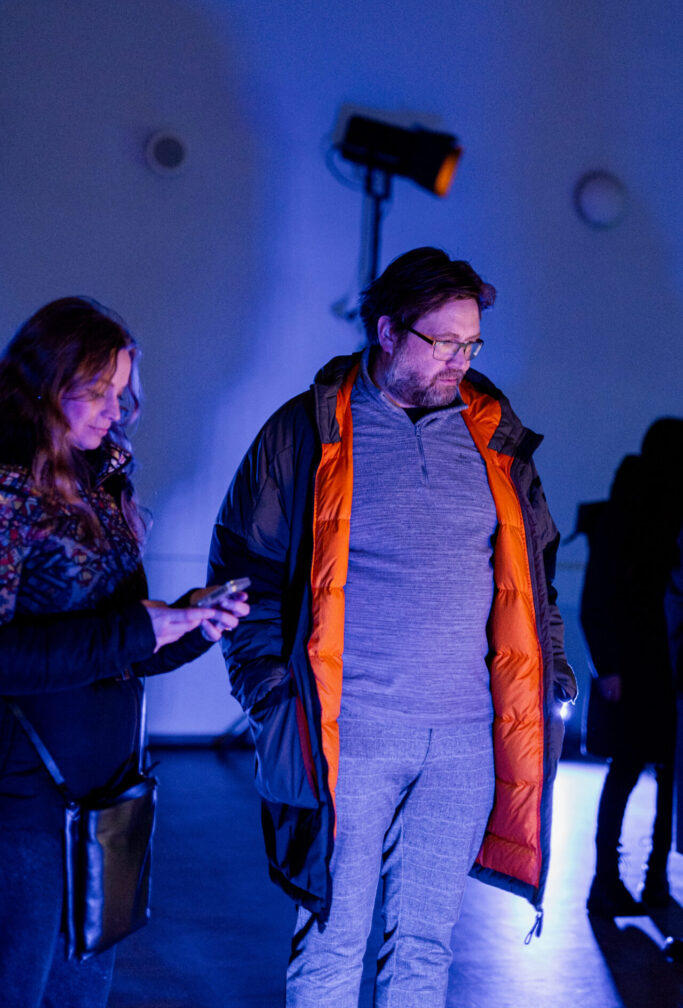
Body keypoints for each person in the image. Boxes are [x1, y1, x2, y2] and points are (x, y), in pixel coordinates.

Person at [208, 247, 576, 1007]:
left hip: (464, 743)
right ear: (386, 331)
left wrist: (553, 666)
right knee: (331, 941)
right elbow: (244, 570)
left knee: (424, 948)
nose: (460, 360)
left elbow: (533, 578)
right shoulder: (306, 432)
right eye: (443, 342)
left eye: (471, 343)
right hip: (349, 735)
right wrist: (272, 696)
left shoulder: (494, 436)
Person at [0, 297, 249, 1008]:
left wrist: (192, 625)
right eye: (97, 391)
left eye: (120, 393)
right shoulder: (7, 489)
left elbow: (123, 647)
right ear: (45, 382)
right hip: (22, 802)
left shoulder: (102, 481)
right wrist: (140, 629)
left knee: (84, 994)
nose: (115, 411)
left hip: (108, 793)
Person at [580, 418, 683, 917]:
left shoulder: (647, 510)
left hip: (653, 668)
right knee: (632, 771)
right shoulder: (632, 514)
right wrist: (610, 668)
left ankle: (642, 880)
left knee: (656, 773)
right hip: (640, 669)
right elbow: (599, 598)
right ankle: (615, 882)